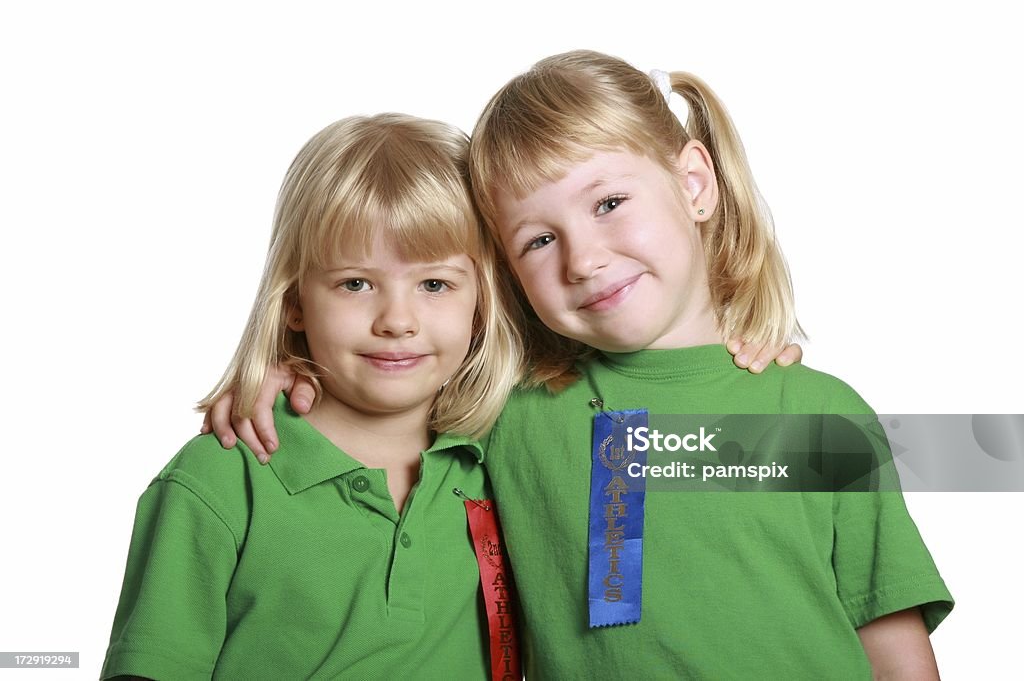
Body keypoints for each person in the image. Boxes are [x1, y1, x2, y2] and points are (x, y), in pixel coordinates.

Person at [208, 50, 942, 678]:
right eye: (537, 240)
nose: (584, 258)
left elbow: (893, 646)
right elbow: (383, 392)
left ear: (693, 184)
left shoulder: (819, 413)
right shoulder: (505, 411)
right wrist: (289, 369)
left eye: (610, 201)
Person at [101, 114, 523, 679]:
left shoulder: (501, 455)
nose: (397, 320)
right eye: (356, 283)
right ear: (295, 298)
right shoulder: (220, 479)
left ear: (481, 304)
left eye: (434, 284)